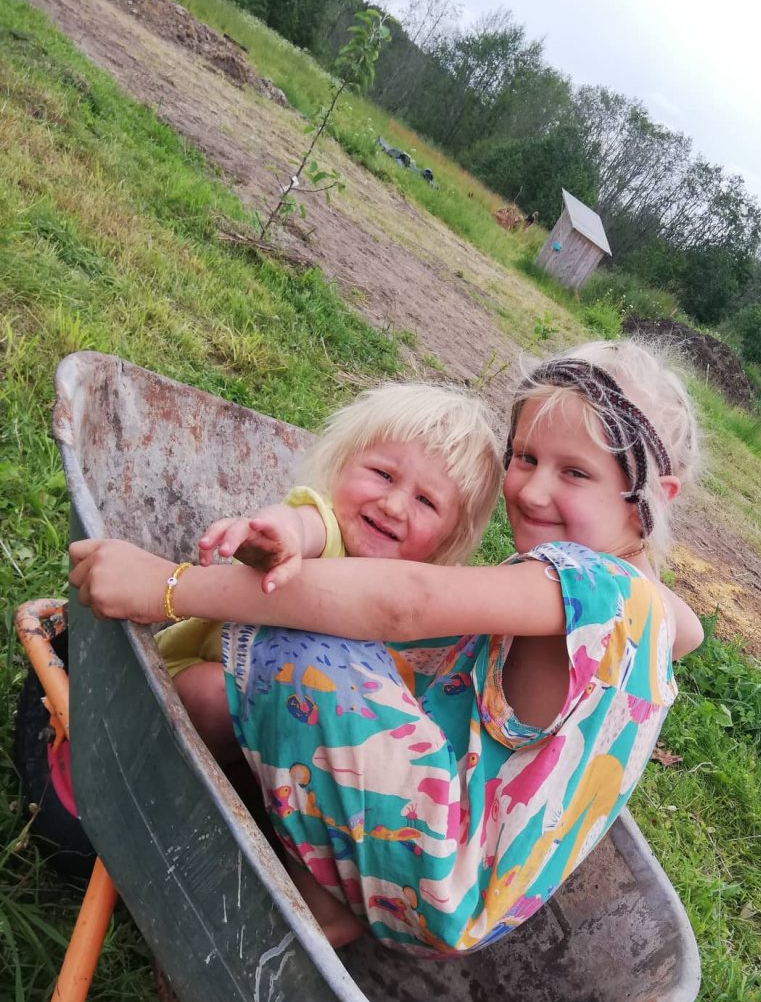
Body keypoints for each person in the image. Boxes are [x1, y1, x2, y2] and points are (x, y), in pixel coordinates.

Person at [70, 340, 704, 957]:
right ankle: (321, 904)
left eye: (574, 472)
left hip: (427, 859)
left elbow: (406, 603)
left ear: (654, 498)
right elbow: (691, 628)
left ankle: (150, 798)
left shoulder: (591, 584)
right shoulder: (648, 611)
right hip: (455, 894)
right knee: (410, 658)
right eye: (526, 456)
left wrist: (171, 586)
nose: (533, 491)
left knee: (314, 629)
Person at [154, 382, 504, 759]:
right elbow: (301, 525)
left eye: (425, 501)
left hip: (293, 740)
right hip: (188, 679)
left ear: (446, 540)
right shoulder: (329, 534)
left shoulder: (417, 604)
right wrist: (280, 536)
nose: (394, 505)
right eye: (383, 475)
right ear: (343, 464)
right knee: (216, 697)